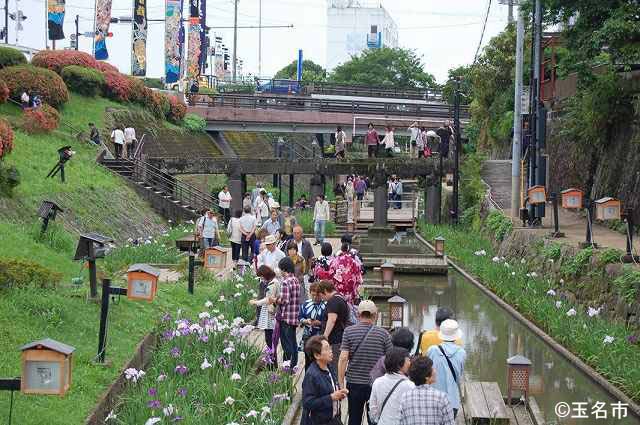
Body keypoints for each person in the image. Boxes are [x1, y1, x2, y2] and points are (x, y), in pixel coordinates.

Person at [338, 300, 392, 425]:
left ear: (358, 314)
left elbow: (343, 358)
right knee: (374, 419)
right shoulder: (384, 334)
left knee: (354, 418)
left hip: (354, 383)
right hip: (376, 383)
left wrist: (341, 383)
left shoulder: (348, 332)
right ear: (375, 315)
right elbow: (390, 359)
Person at [302, 336, 349, 425]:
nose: (331, 351)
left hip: (333, 419)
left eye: (330, 347)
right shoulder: (312, 375)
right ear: (317, 355)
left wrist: (339, 393)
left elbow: (331, 389)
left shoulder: (329, 367)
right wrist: (331, 397)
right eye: (327, 349)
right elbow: (307, 403)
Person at [398, 356, 455, 425]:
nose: (435, 371)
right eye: (432, 369)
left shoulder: (405, 397)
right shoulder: (441, 398)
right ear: (426, 377)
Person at [426, 320, 466, 418]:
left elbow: (427, 372)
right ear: (456, 335)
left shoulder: (432, 350)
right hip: (452, 402)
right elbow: (459, 375)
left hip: (433, 400)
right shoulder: (461, 352)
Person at [369, 347, 415, 425]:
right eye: (408, 360)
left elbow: (373, 408)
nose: (410, 363)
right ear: (400, 364)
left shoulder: (377, 382)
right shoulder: (410, 386)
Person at [250, 265, 280, 366]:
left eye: (262, 276)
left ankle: (272, 363)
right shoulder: (275, 282)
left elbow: (268, 299)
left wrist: (256, 302)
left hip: (270, 314)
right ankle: (272, 361)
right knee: (271, 339)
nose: (261, 279)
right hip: (271, 313)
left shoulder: (272, 284)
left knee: (270, 339)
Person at [276, 257, 302, 369]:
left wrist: (275, 300)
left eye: (280, 269)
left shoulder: (285, 282)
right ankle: (294, 364)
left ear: (283, 269)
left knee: (286, 343)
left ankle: (288, 364)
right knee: (293, 342)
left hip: (286, 316)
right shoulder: (295, 280)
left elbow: (284, 301)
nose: (280, 272)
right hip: (295, 315)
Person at [319, 280, 350, 371]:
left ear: (325, 291)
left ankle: (336, 384)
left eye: (321, 295)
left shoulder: (333, 301)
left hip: (335, 340)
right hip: (339, 338)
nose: (322, 298)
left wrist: (325, 336)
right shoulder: (340, 297)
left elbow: (332, 320)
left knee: (334, 367)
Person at [299, 282, 327, 370]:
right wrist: (305, 321)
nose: (315, 297)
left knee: (319, 359)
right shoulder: (306, 304)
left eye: (317, 295)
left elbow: (329, 321)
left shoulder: (326, 305)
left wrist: (320, 323)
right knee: (308, 358)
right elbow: (300, 317)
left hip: (320, 335)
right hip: (308, 335)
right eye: (313, 295)